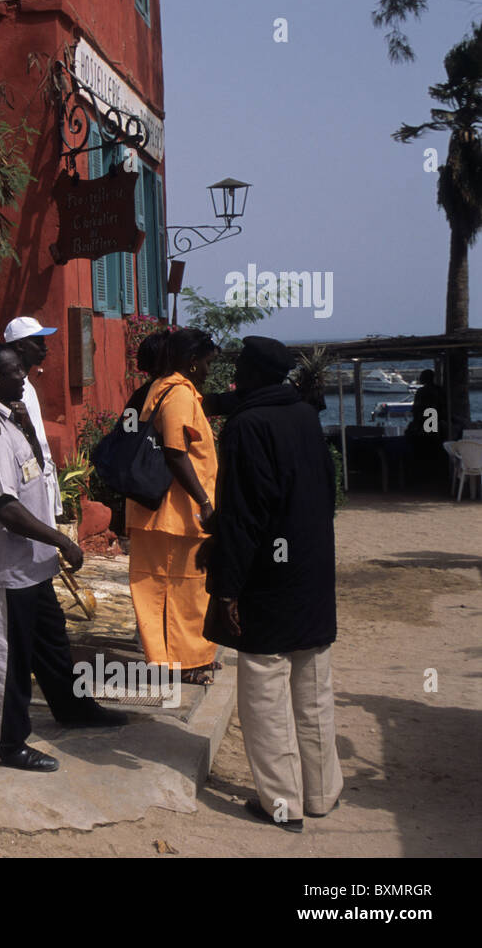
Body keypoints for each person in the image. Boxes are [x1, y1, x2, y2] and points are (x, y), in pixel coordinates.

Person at [0, 343, 127, 771]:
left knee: (51, 641)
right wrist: (63, 540)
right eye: (17, 371)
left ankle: (73, 709)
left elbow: (35, 473)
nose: (25, 377)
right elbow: (4, 505)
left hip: (31, 564)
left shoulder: (9, 416)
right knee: (8, 658)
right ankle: (4, 743)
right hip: (4, 567)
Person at [200, 336, 342, 832]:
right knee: (314, 687)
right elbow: (328, 492)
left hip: (266, 576)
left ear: (251, 373)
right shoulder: (305, 415)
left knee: (264, 690)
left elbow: (243, 517)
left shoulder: (245, 427)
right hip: (312, 569)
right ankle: (322, 792)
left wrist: (227, 586)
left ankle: (281, 802)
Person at [126, 328, 222, 686]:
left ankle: (189, 657)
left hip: (167, 512)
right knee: (177, 589)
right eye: (208, 363)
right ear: (193, 362)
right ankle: (179, 662)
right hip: (170, 511)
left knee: (185, 587)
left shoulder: (169, 389)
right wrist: (204, 501)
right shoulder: (178, 395)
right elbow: (175, 453)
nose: (210, 371)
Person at [2, 316, 63, 520]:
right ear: (20, 345)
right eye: (38, 342)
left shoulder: (26, 384)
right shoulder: (11, 387)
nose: (44, 348)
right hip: (27, 481)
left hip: (40, 476)